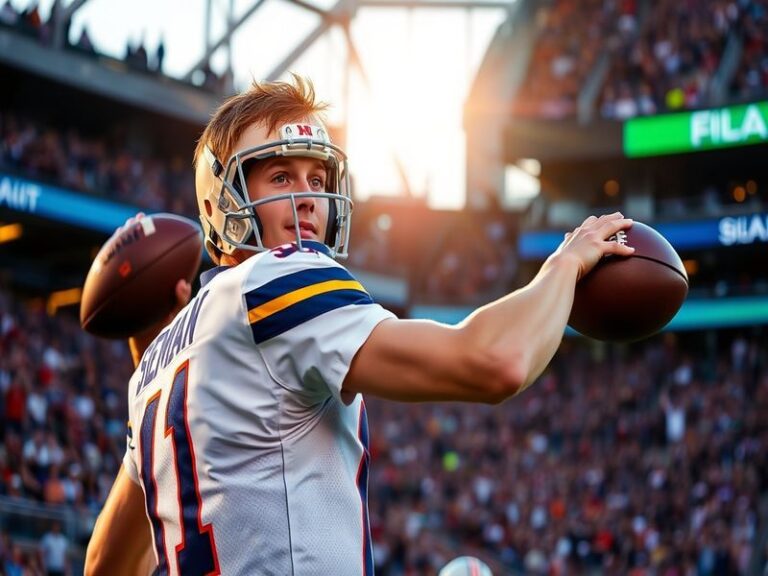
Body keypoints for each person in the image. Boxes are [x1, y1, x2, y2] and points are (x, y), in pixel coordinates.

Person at [84, 74, 634, 575]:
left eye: (316, 176)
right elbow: (497, 362)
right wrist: (565, 263)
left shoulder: (153, 368)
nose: (308, 200)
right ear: (222, 199)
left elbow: (105, 564)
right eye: (280, 176)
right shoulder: (276, 278)